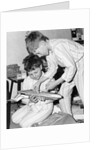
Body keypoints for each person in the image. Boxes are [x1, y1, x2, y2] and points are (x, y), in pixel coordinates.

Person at [25, 31, 84, 115]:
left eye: (38, 52)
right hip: (72, 68)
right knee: (63, 93)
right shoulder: (48, 51)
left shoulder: (57, 46)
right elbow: (52, 69)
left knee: (85, 94)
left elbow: (72, 67)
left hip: (83, 64)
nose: (39, 56)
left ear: (42, 43)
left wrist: (55, 83)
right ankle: (68, 118)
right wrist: (39, 82)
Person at [11, 54, 54, 128]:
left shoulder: (49, 79)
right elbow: (23, 97)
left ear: (40, 67)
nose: (34, 76)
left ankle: (45, 118)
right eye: (31, 74)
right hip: (31, 105)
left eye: (36, 72)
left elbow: (54, 96)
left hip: (45, 107)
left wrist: (46, 99)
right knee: (14, 119)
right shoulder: (27, 80)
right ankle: (34, 116)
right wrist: (29, 101)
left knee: (24, 124)